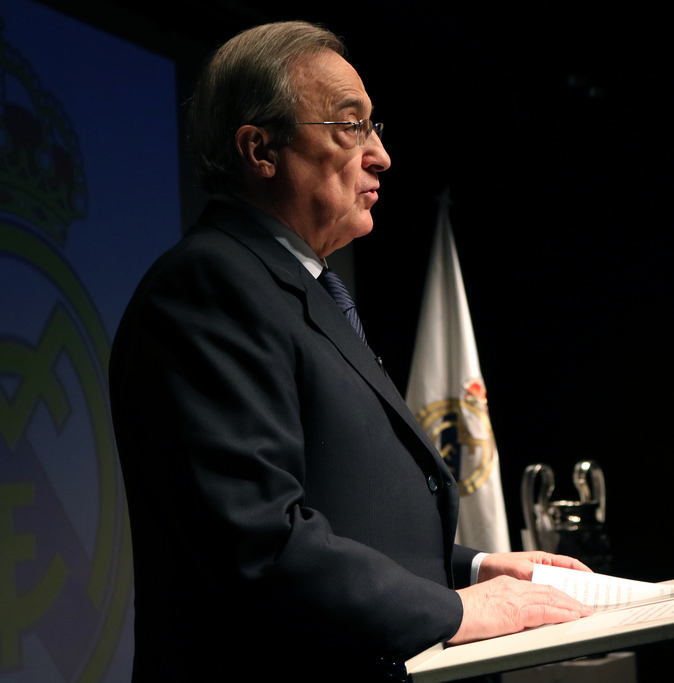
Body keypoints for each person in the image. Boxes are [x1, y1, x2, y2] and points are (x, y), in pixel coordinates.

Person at [109, 20, 590, 682]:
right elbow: (258, 542)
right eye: (351, 125)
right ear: (260, 149)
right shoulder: (207, 288)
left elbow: (349, 517)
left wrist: (474, 567)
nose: (381, 155)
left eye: (375, 127)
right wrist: (454, 611)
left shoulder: (301, 290)